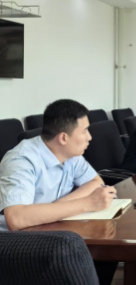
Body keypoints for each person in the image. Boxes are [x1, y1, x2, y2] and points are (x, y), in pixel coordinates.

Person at [0, 99, 119, 284]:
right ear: (63, 138)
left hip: (50, 227)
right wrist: (87, 203)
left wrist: (59, 206)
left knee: (108, 244)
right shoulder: (21, 160)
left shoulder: (70, 153)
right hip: (14, 242)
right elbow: (16, 219)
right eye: (85, 131)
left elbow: (96, 182)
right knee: (78, 250)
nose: (90, 137)